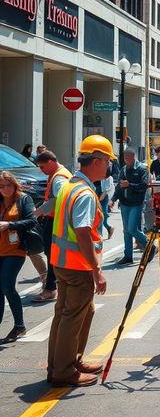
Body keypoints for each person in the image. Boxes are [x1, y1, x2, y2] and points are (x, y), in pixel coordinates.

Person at [47, 135, 111, 386]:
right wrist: (96, 270)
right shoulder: (84, 193)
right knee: (72, 317)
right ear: (96, 161)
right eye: (107, 161)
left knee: (69, 314)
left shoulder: (70, 185)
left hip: (62, 263)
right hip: (77, 266)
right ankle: (63, 371)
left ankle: (68, 361)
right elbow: (83, 232)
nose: (108, 166)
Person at [0, 171, 36, 343]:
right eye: (1, 186)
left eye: (8, 185)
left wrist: (9, 224)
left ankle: (19, 325)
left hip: (16, 250)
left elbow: (32, 221)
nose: (5, 189)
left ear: (14, 185)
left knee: (7, 287)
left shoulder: (23, 199)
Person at [33, 151, 72, 302]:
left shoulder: (59, 178)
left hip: (55, 220)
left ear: (51, 163)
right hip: (57, 220)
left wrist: (37, 212)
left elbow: (57, 200)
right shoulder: (62, 173)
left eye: (42, 167)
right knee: (53, 255)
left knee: (52, 255)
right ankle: (53, 286)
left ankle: (50, 289)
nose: (41, 170)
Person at [111, 148, 152, 266]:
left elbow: (144, 185)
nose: (125, 161)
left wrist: (130, 185)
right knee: (126, 231)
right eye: (124, 159)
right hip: (124, 203)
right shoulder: (123, 170)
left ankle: (150, 246)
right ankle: (128, 256)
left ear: (133, 157)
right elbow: (119, 187)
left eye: (127, 159)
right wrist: (113, 200)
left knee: (132, 229)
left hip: (136, 204)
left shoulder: (142, 169)